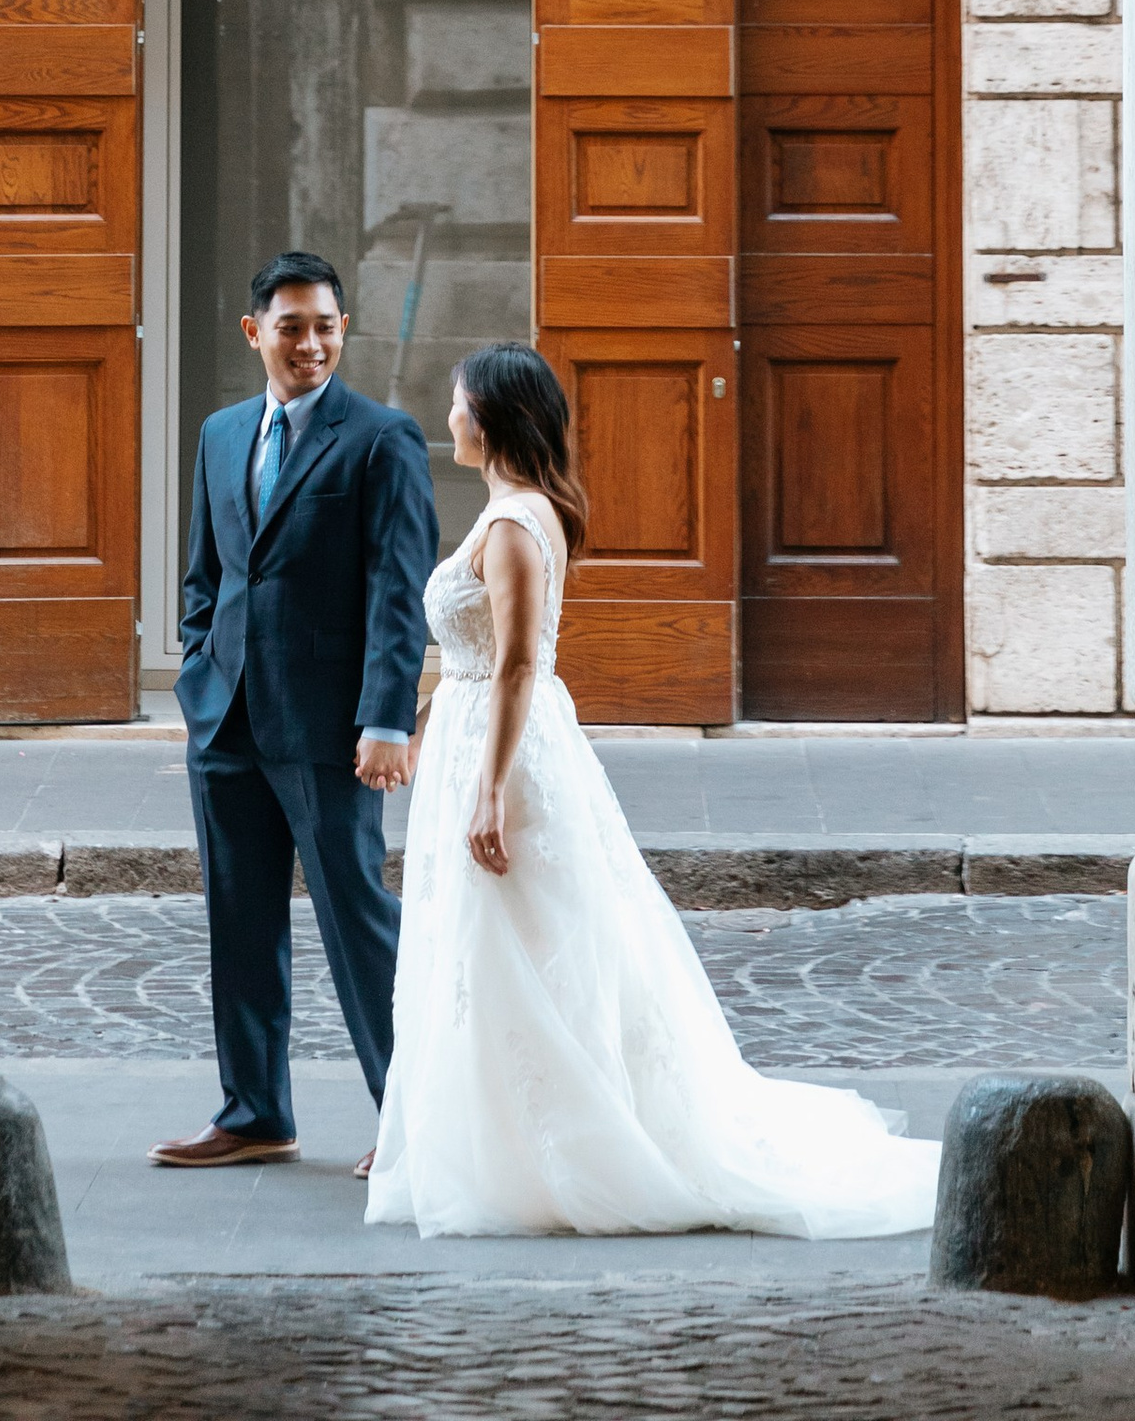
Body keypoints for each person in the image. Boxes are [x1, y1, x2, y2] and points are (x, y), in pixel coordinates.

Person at [365, 340, 945, 1238]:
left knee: (517, 939)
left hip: (504, 753)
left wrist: (487, 790)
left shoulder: (518, 525)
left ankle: (562, 1143)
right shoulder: (513, 513)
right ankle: (501, 1134)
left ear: (491, 416)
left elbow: (518, 664)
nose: (450, 417)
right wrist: (432, 732)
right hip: (478, 739)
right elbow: (484, 661)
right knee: (497, 942)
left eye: (458, 402)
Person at [151, 252, 439, 1171]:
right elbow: (207, 573)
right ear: (255, 334)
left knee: (357, 913)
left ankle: (412, 1119)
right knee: (237, 917)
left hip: (329, 728)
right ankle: (254, 1113)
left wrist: (387, 718)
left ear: (343, 330)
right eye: (291, 327)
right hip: (225, 717)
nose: (310, 343)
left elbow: (399, 590)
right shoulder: (222, 433)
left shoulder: (381, 438)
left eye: (324, 326)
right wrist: (199, 666)